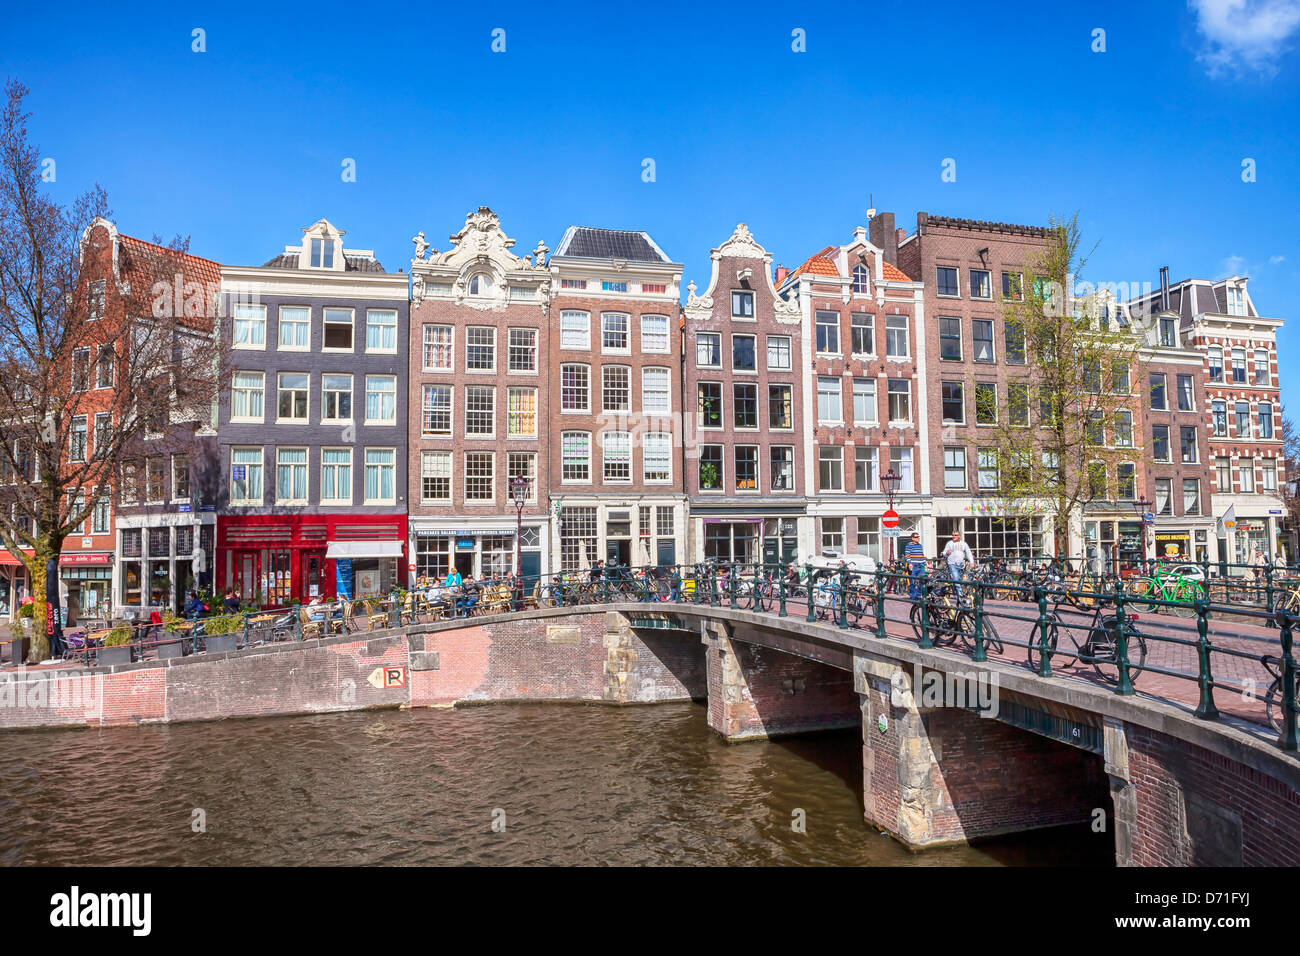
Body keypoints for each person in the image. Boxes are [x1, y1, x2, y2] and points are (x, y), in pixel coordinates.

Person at [942, 530, 975, 599]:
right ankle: (960, 594)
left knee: (958, 579)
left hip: (960, 564)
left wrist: (971, 562)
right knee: (956, 578)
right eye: (953, 535)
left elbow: (968, 553)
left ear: (959, 536)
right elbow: (943, 553)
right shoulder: (949, 543)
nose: (954, 536)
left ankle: (955, 593)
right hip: (952, 563)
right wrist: (946, 553)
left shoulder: (963, 544)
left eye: (956, 535)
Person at [904, 532, 927, 600]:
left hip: (920, 565)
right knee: (913, 582)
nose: (918, 538)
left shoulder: (920, 546)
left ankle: (918, 595)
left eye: (918, 537)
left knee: (922, 581)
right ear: (912, 538)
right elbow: (907, 555)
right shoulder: (909, 545)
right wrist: (909, 563)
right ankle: (913, 596)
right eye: (916, 537)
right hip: (913, 566)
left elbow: (922, 556)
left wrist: (925, 564)